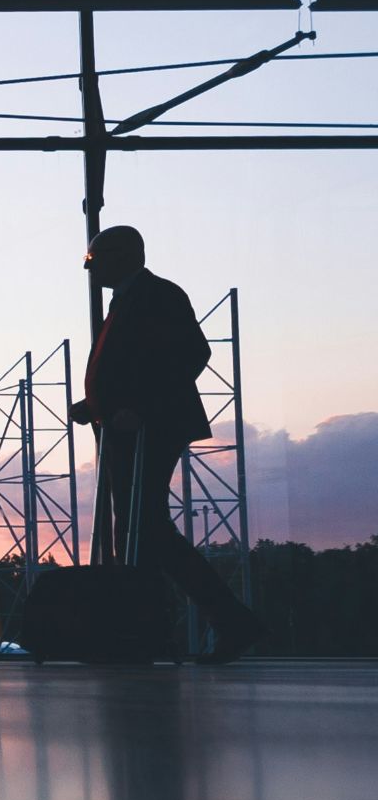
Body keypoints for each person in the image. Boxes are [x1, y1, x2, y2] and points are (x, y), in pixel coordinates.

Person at [69, 225, 263, 664]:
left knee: (146, 529)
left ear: (125, 256)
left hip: (148, 428)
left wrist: (139, 407)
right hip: (127, 427)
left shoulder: (158, 295)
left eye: (95, 260)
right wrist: (98, 404)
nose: (90, 270)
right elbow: (140, 364)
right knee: (140, 530)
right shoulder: (128, 300)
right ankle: (158, 628)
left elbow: (191, 354)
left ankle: (215, 623)